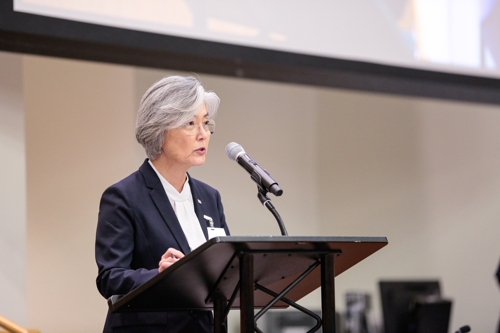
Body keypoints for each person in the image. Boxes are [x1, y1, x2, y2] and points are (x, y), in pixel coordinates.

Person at [95, 76, 229, 333]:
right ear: (159, 130)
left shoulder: (210, 197)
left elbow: (225, 273)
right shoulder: (124, 196)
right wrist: (159, 274)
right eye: (190, 123)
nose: (203, 134)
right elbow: (109, 278)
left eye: (205, 123)